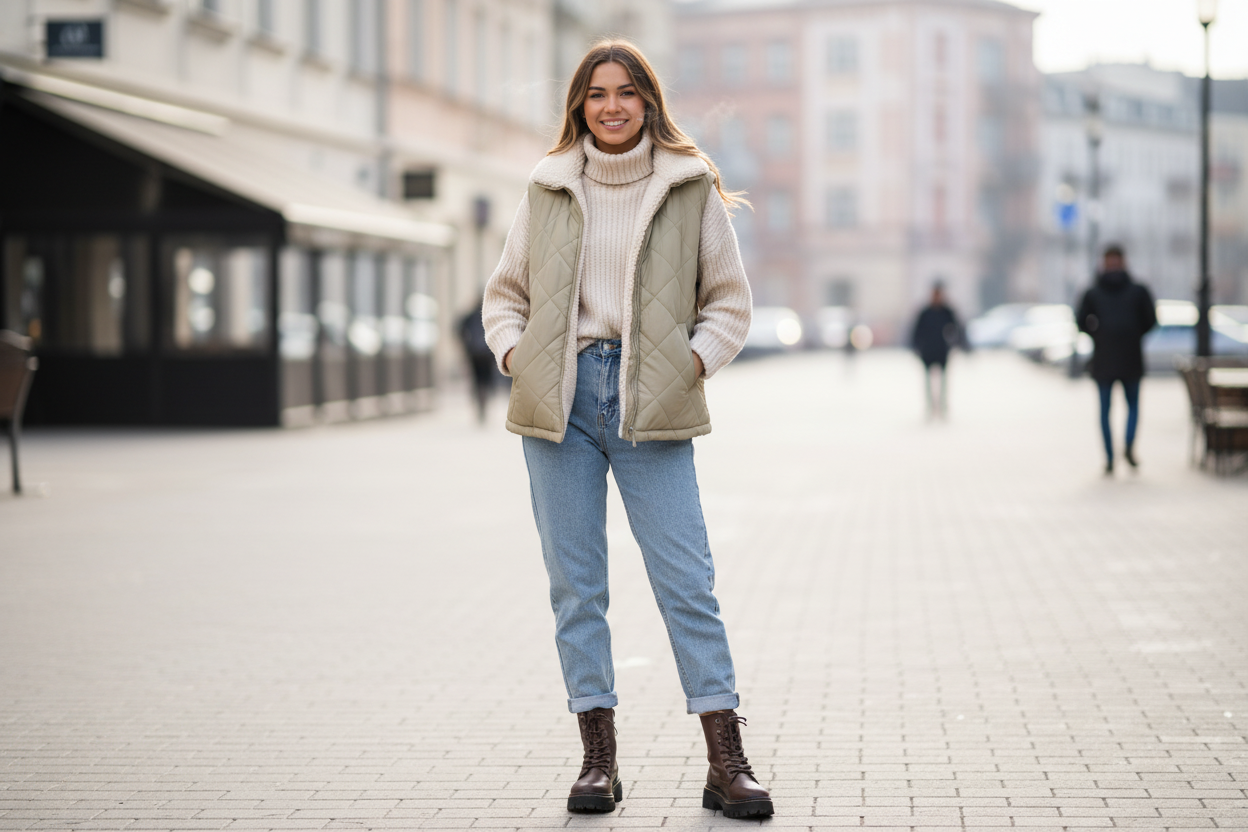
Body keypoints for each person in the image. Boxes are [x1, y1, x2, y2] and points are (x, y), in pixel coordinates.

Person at [481, 40, 771, 820]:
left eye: (627, 93)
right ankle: (598, 759)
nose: (611, 106)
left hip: (653, 405)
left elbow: (730, 306)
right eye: (596, 94)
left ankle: (725, 759)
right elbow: (505, 294)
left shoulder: (687, 186)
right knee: (577, 589)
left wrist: (690, 367)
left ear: (649, 101)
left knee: (688, 583)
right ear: (579, 105)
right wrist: (518, 357)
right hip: (560, 408)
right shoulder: (546, 187)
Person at [1077, 244, 1157, 474]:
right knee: (1121, 408)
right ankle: (1120, 451)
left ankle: (1116, 454)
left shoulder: (1096, 291)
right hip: (1123, 357)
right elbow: (1150, 320)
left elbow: (1081, 321)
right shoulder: (1133, 290)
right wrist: (1131, 334)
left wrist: (1099, 334)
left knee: (1111, 409)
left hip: (1109, 358)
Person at [910, 282, 964, 418]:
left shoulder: (947, 311)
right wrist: (916, 347)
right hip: (927, 350)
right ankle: (930, 406)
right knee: (928, 381)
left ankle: (942, 406)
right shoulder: (925, 312)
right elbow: (916, 331)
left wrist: (955, 343)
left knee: (944, 380)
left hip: (942, 350)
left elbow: (957, 328)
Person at [458, 297, 495, 423]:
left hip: (474, 353)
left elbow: (459, 330)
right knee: (486, 379)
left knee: (477, 379)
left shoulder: (470, 316)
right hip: (487, 353)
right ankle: (483, 402)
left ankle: (480, 401)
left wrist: (466, 345)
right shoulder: (489, 315)